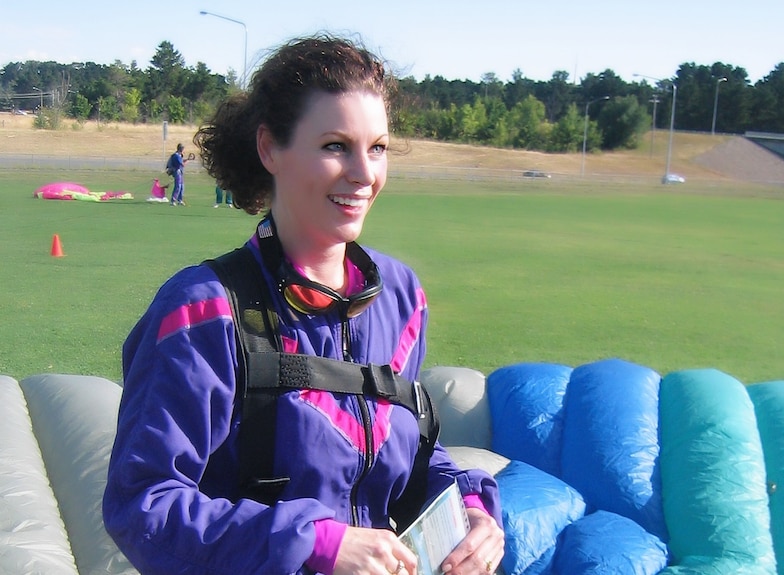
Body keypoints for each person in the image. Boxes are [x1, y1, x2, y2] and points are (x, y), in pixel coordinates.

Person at [103, 34, 504, 575]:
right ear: (270, 149)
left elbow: (409, 453)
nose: (364, 174)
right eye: (336, 145)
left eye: (378, 147)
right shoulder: (204, 312)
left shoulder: (401, 298)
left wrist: (473, 510)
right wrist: (313, 542)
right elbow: (142, 504)